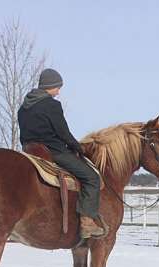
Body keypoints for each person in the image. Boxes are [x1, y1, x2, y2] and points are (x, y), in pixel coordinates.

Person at [18, 68, 105, 239]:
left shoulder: (23, 108)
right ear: (50, 86)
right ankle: (87, 221)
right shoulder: (51, 105)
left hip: (30, 151)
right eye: (58, 87)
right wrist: (77, 148)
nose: (58, 91)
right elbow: (62, 132)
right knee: (91, 178)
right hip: (53, 152)